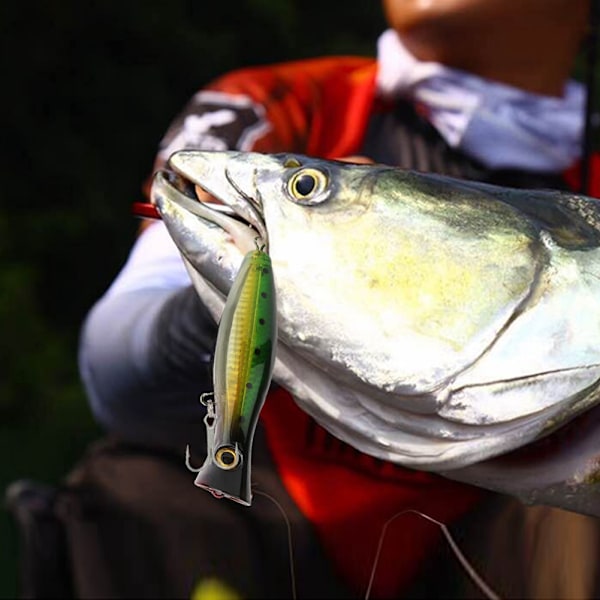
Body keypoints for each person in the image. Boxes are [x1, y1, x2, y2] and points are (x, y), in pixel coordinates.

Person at [73, 1, 599, 598]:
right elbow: (116, 378)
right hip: (262, 522)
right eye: (308, 187)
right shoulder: (275, 105)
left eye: (307, 188)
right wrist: (242, 298)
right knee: (140, 494)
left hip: (499, 550)